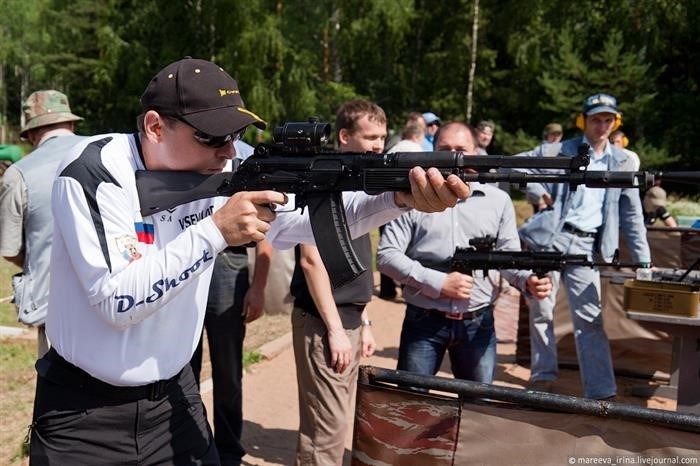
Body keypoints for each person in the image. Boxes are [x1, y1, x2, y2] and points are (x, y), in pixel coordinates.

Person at [29, 57, 469, 465]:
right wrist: (215, 231)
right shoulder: (94, 172)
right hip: (82, 414)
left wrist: (398, 198)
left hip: (174, 400)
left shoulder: (228, 163)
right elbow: (115, 302)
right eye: (212, 136)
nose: (228, 150)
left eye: (235, 135)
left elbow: (309, 224)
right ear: (155, 126)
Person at [377, 122, 552, 386]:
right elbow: (386, 255)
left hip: (478, 322)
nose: (454, 157)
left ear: (476, 153)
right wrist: (438, 282)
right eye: (445, 149)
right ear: (432, 153)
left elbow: (508, 256)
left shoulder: (497, 200)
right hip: (424, 320)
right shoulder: (411, 199)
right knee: (411, 407)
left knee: (477, 410)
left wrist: (527, 280)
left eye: (461, 150)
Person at [516, 93, 651, 400]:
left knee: (590, 317)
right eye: (595, 119)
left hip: (588, 244)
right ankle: (542, 375)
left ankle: (601, 390)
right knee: (541, 307)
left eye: (608, 120)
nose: (602, 125)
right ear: (583, 121)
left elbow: (631, 214)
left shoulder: (623, 161)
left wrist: (643, 260)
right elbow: (520, 167)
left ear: (615, 122)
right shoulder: (559, 149)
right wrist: (539, 195)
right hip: (552, 237)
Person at [290, 99, 384, 466]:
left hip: (350, 320)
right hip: (323, 321)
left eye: (382, 137)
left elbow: (361, 260)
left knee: (339, 421)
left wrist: (366, 322)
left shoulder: (358, 183)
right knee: (325, 433)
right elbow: (311, 260)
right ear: (344, 137)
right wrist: (334, 330)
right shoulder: (321, 182)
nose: (378, 145)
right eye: (370, 137)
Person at [188, 139, 272, 466]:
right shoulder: (186, 151)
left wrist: (258, 287)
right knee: (183, 365)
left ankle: (228, 453)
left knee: (228, 370)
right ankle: (189, 446)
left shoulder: (248, 157)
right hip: (189, 260)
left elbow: (267, 237)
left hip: (229, 266)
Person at [0, 89, 85, 357]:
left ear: (33, 134)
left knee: (61, 392)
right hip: (123, 295)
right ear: (71, 123)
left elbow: (10, 249)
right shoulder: (111, 148)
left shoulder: (18, 173)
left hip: (55, 306)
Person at [379, 112, 427, 299]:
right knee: (404, 252)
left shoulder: (393, 149)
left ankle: (387, 289)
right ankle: (408, 289)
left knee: (387, 247)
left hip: (383, 205)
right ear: (417, 136)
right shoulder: (417, 151)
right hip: (405, 207)